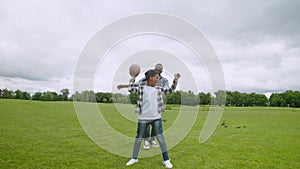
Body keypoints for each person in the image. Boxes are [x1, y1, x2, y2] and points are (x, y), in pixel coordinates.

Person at [125, 69, 181, 168]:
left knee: (161, 139)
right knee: (138, 138)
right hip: (143, 118)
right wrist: (133, 78)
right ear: (150, 78)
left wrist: (175, 79)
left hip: (156, 118)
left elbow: (170, 90)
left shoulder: (158, 88)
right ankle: (134, 158)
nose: (158, 79)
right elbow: (130, 89)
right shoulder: (141, 88)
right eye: (156, 77)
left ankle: (166, 160)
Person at [117, 63, 169, 150]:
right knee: (146, 123)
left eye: (160, 69)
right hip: (146, 103)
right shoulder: (146, 79)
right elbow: (135, 85)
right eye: (157, 69)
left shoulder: (164, 80)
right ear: (154, 69)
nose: (158, 70)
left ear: (162, 70)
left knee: (156, 124)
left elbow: (167, 89)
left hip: (157, 103)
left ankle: (152, 139)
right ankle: (146, 140)